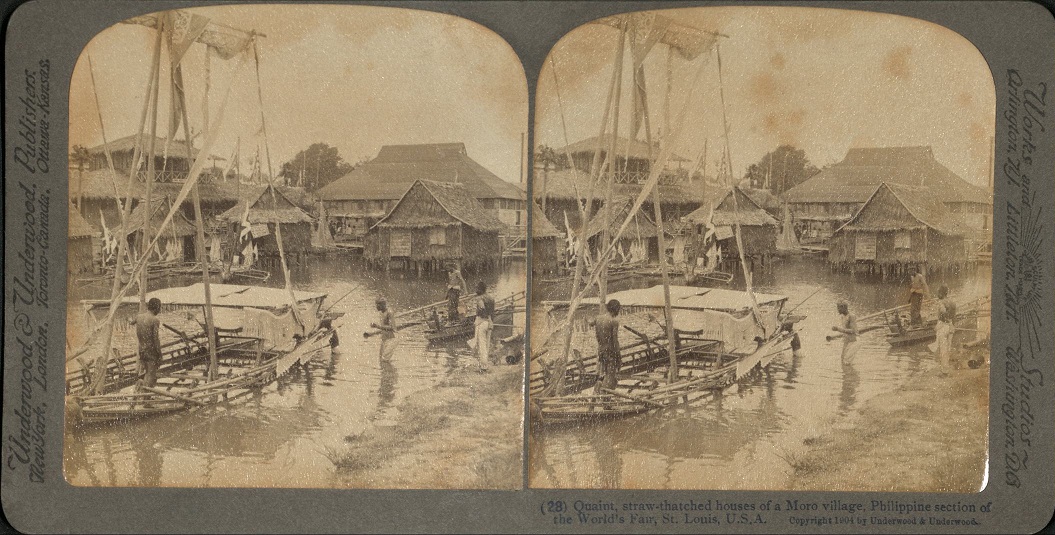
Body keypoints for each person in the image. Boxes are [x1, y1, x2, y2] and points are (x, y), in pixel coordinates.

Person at [132, 298, 163, 389]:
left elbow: (132, 322)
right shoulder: (155, 320)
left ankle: (142, 392)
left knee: (146, 372)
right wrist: (160, 354)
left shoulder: (139, 317)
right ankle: (145, 395)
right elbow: (156, 339)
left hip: (142, 350)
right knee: (151, 374)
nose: (159, 310)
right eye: (159, 308)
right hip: (151, 351)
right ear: (156, 308)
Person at [594, 300, 622, 391]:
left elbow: (597, 336)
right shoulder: (614, 322)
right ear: (616, 309)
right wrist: (619, 357)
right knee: (610, 376)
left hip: (601, 351)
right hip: (610, 352)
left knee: (602, 374)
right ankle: (605, 398)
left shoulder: (598, 318)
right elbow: (615, 340)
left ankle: (597, 393)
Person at [470, 281, 495, 370]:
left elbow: (482, 309)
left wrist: (483, 316)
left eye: (477, 288)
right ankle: (485, 364)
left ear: (480, 289)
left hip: (482, 322)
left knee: (482, 345)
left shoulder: (479, 298)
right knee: (487, 344)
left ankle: (483, 366)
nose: (475, 290)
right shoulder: (491, 298)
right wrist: (490, 320)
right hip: (490, 323)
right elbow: (492, 312)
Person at [933, 285, 957, 373]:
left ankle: (945, 371)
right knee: (948, 347)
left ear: (941, 293)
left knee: (942, 349)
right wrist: (952, 325)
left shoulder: (941, 302)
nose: (937, 294)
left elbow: (943, 313)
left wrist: (942, 323)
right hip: (951, 326)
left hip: (943, 325)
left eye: (938, 292)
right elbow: (954, 316)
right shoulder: (952, 302)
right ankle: (946, 368)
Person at [370, 297, 398, 362]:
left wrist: (378, 326)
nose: (376, 306)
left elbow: (392, 327)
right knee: (380, 359)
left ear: (383, 305)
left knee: (384, 360)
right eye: (376, 304)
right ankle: (387, 371)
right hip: (384, 339)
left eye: (378, 304)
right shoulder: (381, 313)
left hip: (392, 339)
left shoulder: (389, 313)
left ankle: (390, 371)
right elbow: (384, 326)